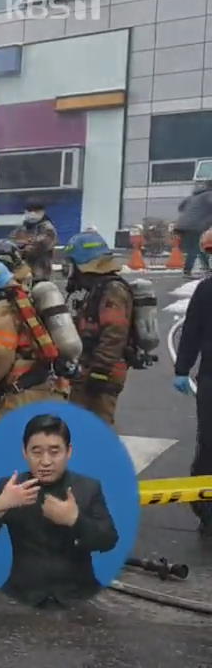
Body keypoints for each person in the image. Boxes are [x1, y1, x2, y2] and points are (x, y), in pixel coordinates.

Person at [0, 414, 119, 607]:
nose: (45, 462)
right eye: (36, 452)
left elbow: (109, 540)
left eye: (54, 452)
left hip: (80, 595)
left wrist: (75, 520)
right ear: (24, 452)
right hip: (21, 594)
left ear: (68, 452)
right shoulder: (11, 487)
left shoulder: (88, 487)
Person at [0, 259, 67, 415]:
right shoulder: (26, 299)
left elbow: (1, 354)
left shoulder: (3, 307)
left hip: (26, 394)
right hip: (51, 387)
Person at [63, 232, 131, 426]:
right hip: (90, 368)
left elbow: (114, 333)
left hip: (103, 371)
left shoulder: (112, 291)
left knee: (98, 427)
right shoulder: (96, 290)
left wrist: (99, 372)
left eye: (73, 265)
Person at [172, 227, 212, 537]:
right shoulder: (206, 290)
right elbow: (192, 333)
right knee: (209, 445)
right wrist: (182, 369)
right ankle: (207, 509)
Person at [9, 201, 58, 282]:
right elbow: (11, 243)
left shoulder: (48, 228)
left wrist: (22, 248)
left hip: (39, 273)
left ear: (42, 212)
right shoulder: (21, 228)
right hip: (21, 274)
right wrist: (23, 246)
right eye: (29, 211)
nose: (32, 213)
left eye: (36, 211)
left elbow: (39, 247)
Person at [175, 180, 212, 278]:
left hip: (182, 224)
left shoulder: (193, 196)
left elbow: (180, 207)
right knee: (195, 248)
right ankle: (187, 270)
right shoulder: (209, 195)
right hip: (195, 225)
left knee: (200, 247)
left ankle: (208, 268)